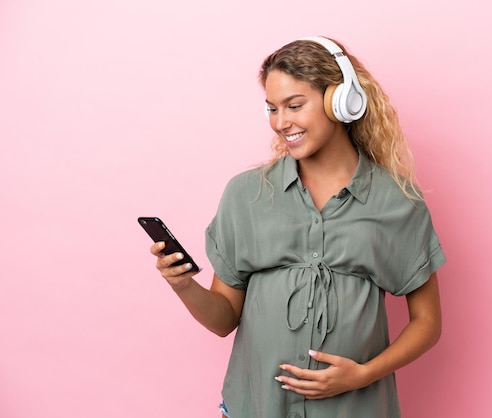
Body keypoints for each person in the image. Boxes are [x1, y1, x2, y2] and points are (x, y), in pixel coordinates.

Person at [150, 36, 446, 418]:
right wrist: (182, 284)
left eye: (294, 105)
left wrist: (362, 375)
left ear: (340, 101)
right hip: (256, 407)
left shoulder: (397, 201)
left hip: (355, 409)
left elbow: (428, 323)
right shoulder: (248, 194)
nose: (280, 122)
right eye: (272, 108)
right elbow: (223, 319)